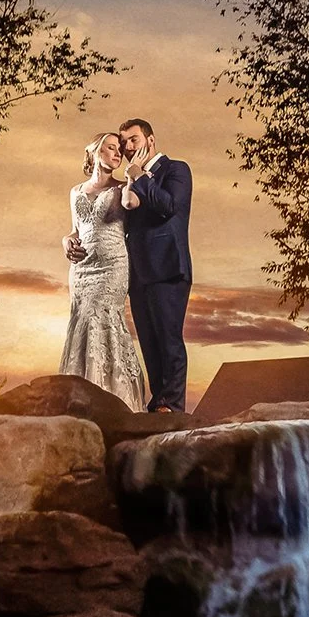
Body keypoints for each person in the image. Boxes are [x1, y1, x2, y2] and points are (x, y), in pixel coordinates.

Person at [58, 131, 147, 409]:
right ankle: (79, 398)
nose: (118, 153)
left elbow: (132, 204)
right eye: (111, 148)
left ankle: (114, 398)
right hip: (81, 271)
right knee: (81, 322)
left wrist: (133, 175)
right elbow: (75, 229)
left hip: (112, 267)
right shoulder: (75, 192)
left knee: (103, 318)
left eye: (120, 148)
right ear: (95, 152)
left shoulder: (122, 188)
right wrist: (65, 242)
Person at [116, 118, 192, 413]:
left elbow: (168, 206)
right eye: (123, 142)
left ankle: (172, 403)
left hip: (168, 267)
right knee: (148, 340)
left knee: (168, 337)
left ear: (150, 140)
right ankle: (158, 401)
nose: (127, 147)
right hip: (139, 273)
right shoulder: (129, 181)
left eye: (133, 139)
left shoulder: (176, 170)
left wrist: (138, 175)